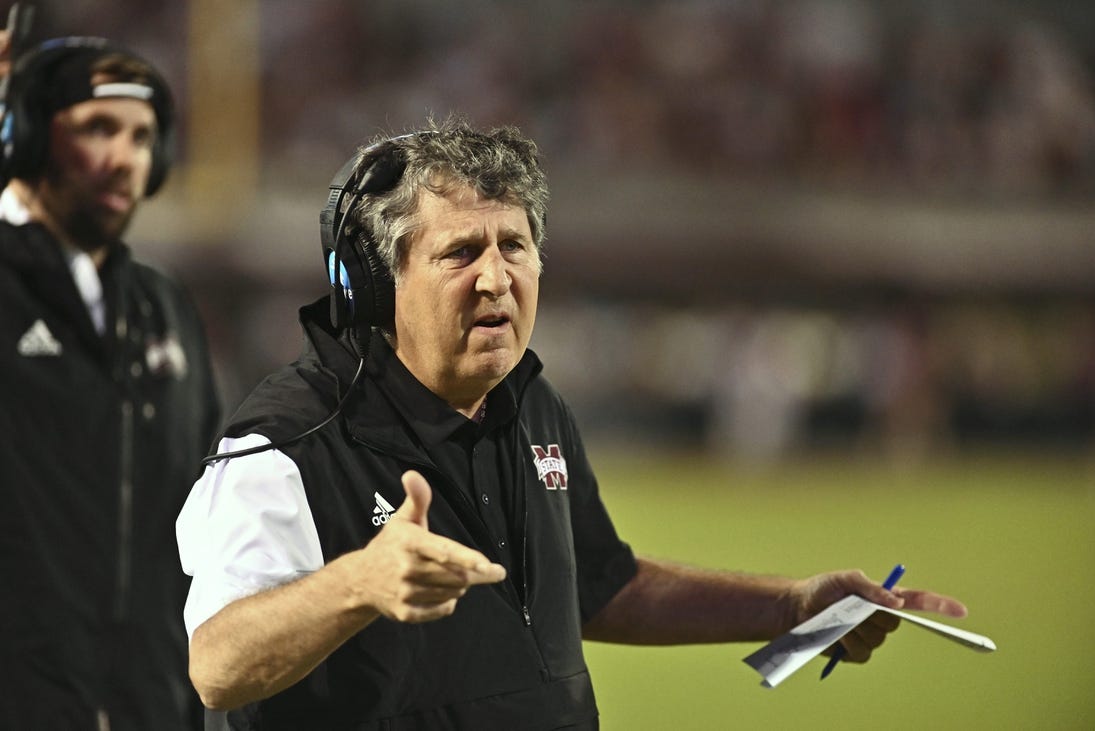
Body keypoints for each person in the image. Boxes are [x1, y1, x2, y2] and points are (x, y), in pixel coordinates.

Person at [177, 117, 966, 730]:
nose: (496, 276)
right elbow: (216, 662)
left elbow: (593, 582)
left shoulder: (532, 404)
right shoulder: (288, 442)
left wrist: (790, 606)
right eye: (459, 253)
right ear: (375, 287)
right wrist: (358, 581)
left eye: (514, 244)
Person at [0, 31, 219, 731]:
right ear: (27, 136)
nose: (126, 158)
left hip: (148, 702)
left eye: (143, 136)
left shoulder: (163, 306)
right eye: (98, 128)